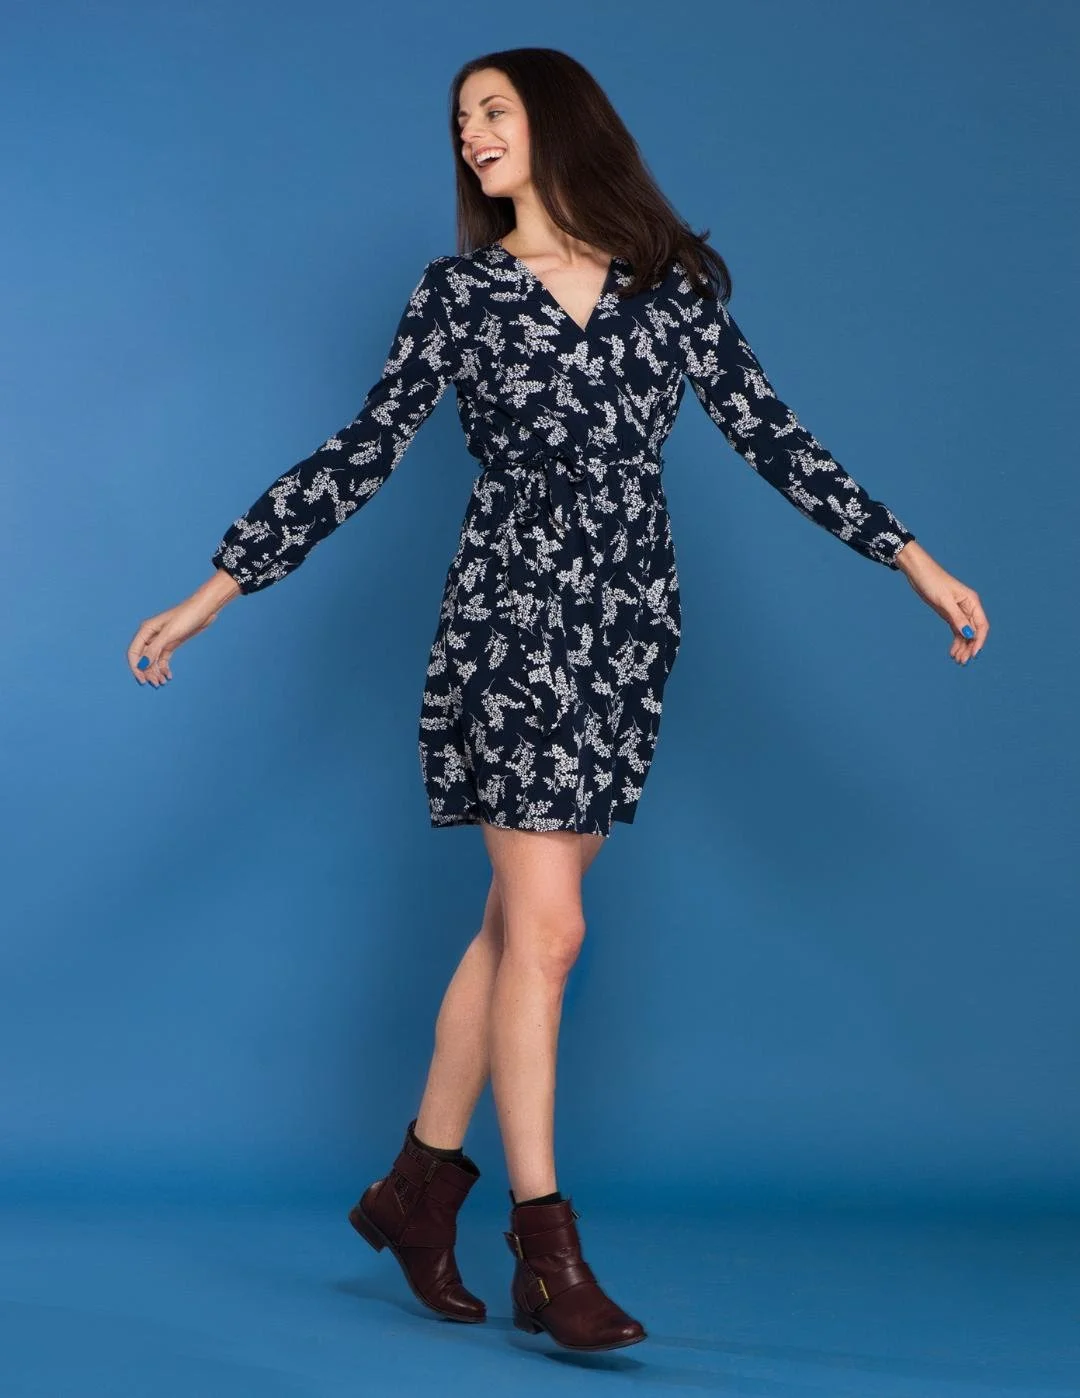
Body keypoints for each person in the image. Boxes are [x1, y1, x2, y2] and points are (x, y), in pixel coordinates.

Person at [126, 48, 988, 1352]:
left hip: (627, 633)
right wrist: (218, 585)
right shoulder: (460, 294)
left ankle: (416, 1191)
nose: (471, 134)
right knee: (554, 930)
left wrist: (911, 558)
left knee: (517, 929)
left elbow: (773, 434)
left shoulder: (671, 288)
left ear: (560, 122)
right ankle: (547, 1247)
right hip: (508, 625)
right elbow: (364, 448)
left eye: (494, 110)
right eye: (459, 119)